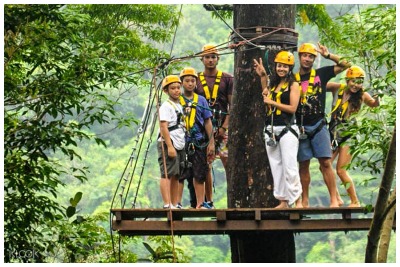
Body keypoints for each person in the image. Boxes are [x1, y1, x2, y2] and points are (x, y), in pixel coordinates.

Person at [294, 42, 350, 208]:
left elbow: (347, 64)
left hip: (318, 124)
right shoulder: (293, 79)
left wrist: (328, 56)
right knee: (303, 164)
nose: (307, 59)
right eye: (305, 55)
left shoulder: (321, 74)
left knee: (325, 162)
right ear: (300, 57)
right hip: (301, 125)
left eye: (311, 56)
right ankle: (304, 200)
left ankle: (334, 198)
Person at [254, 50, 302, 208]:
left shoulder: (294, 85)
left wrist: (273, 103)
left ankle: (297, 200)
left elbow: (293, 108)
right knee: (276, 166)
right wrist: (262, 77)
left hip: (287, 128)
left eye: (285, 67)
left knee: (290, 165)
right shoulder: (273, 84)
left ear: (290, 68)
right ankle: (283, 200)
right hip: (271, 128)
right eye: (279, 66)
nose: (281, 69)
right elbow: (266, 95)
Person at [327, 66, 380, 207]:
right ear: (347, 80)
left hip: (348, 133)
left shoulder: (362, 95)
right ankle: (337, 198)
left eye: (359, 82)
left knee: (341, 170)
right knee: (324, 165)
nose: (356, 85)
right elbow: (319, 83)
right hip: (333, 131)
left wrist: (377, 96)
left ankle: (354, 201)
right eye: (353, 81)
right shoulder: (338, 88)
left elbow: (374, 105)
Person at [195, 44, 234, 208]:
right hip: (204, 128)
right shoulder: (195, 80)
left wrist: (224, 127)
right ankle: (208, 200)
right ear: (202, 59)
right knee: (206, 163)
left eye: (213, 57)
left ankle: (233, 199)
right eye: (207, 57)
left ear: (217, 59)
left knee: (228, 161)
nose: (210, 60)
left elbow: (232, 106)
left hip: (222, 124)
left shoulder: (227, 79)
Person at [177, 67, 215, 209]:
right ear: (182, 83)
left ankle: (201, 203)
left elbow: (207, 121)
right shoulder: (177, 100)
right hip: (181, 142)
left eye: (193, 80)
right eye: (187, 81)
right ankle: (177, 203)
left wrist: (211, 142)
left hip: (198, 141)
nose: (190, 83)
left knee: (199, 173)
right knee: (180, 173)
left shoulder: (201, 101)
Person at [157, 75, 186, 209]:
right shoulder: (165, 107)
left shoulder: (178, 105)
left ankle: (174, 203)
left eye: (178, 88)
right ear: (166, 91)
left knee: (176, 174)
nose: (176, 91)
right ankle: (167, 203)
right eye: (173, 88)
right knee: (167, 173)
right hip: (169, 141)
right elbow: (163, 126)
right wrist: (169, 146)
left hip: (179, 140)